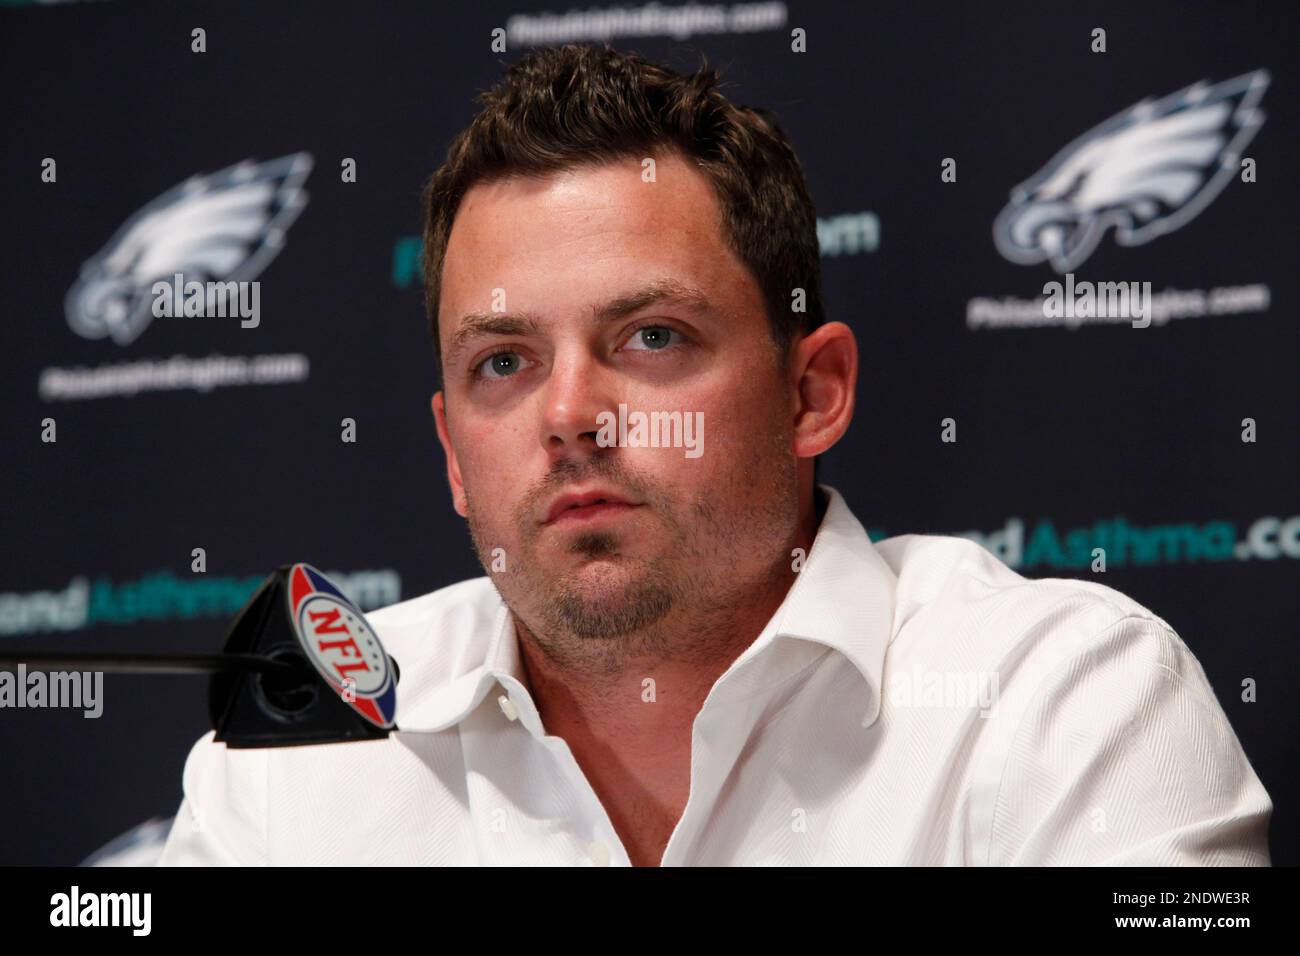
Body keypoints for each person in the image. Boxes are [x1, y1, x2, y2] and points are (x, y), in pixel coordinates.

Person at [158, 43, 1271, 866]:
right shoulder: (294, 772)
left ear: (811, 390)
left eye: (651, 337)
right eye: (503, 360)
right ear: (453, 450)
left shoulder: (1062, 699)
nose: (571, 413)